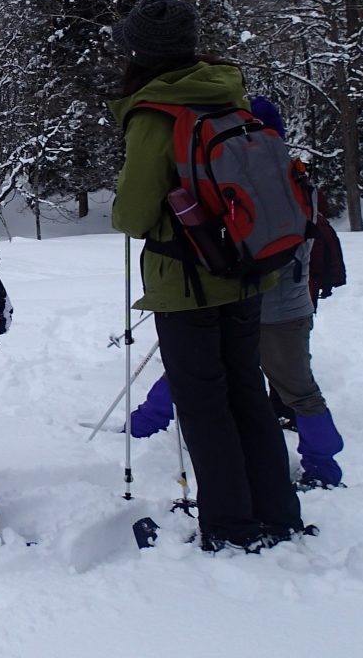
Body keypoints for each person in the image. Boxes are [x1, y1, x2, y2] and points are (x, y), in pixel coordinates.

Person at [108, 0, 305, 553]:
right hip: (247, 271)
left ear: (140, 53)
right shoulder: (227, 93)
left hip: (187, 282)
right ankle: (277, 514)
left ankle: (231, 527)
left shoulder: (155, 112)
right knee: (247, 392)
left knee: (204, 403)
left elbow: (132, 214)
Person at [125, 97, 347, 491]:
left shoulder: (237, 185)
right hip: (289, 306)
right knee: (298, 388)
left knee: (194, 367)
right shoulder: (298, 180)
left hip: (244, 299)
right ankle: (322, 465)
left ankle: (143, 425)